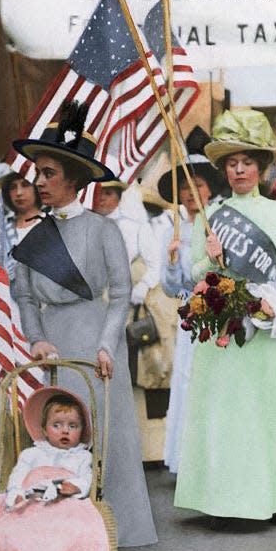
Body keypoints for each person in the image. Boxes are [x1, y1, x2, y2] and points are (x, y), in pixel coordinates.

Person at [10, 101, 157, 548]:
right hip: (56, 346)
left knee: (106, 434)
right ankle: (65, 535)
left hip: (97, 342)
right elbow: (25, 295)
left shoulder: (103, 230)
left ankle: (114, 533)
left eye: (48, 173)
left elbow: (118, 294)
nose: (39, 182)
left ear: (73, 180)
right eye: (37, 174)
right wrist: (36, 337)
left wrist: (107, 345)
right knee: (62, 437)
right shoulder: (33, 238)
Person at [173, 109, 276, 528]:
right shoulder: (207, 217)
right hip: (223, 328)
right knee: (226, 413)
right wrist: (211, 261)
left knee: (270, 411)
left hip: (268, 329)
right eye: (231, 163)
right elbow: (195, 272)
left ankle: (275, 499)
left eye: (247, 162)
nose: (239, 170)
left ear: (262, 167)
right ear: (222, 169)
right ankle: (222, 500)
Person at [0, 386, 109, 551]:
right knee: (19, 523)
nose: (65, 431)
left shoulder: (82, 457)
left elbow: (87, 478)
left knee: (74, 528)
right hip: (32, 501)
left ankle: (51, 550)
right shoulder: (33, 454)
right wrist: (16, 494)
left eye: (73, 426)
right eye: (57, 425)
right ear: (44, 430)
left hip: (64, 504)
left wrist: (76, 487)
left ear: (81, 430)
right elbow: (18, 477)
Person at [94, 177, 172, 462]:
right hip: (103, 307)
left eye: (110, 194)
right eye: (99, 194)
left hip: (136, 308)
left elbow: (156, 265)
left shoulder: (135, 227)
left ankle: (150, 448)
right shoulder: (93, 229)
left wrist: (139, 288)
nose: (103, 199)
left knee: (143, 370)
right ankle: (116, 446)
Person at [157, 129, 220, 474]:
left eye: (198, 185)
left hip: (222, 311)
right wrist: (169, 261)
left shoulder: (221, 222)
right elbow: (170, 288)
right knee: (189, 381)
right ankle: (190, 458)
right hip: (191, 318)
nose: (191, 193)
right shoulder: (174, 230)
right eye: (184, 187)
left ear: (210, 188)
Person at [0, 168, 42, 452]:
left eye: (25, 185)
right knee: (9, 374)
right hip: (8, 313)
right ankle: (14, 446)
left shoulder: (48, 225)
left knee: (40, 372)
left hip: (41, 311)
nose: (18, 193)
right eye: (12, 187)